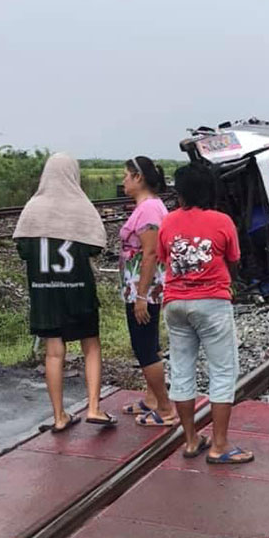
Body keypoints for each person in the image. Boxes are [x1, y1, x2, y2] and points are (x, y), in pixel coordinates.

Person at [13, 153, 117, 432]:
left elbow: (23, 250)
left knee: (54, 353)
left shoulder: (33, 208)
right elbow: (95, 247)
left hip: (44, 292)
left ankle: (59, 416)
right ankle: (94, 407)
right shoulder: (81, 207)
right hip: (79, 290)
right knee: (91, 345)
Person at [157, 164, 252, 463]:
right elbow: (234, 259)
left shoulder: (168, 222)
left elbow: (164, 260)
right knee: (222, 372)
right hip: (211, 302)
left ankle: (190, 441)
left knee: (182, 370)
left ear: (180, 192)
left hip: (174, 303)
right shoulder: (221, 221)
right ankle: (220, 446)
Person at [119, 156, 177, 427]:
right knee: (149, 344)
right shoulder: (149, 207)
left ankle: (165, 408)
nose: (123, 181)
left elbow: (150, 253)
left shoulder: (149, 209)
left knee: (144, 348)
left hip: (145, 290)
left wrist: (141, 295)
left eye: (126, 176)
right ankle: (152, 399)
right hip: (141, 289)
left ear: (138, 178)